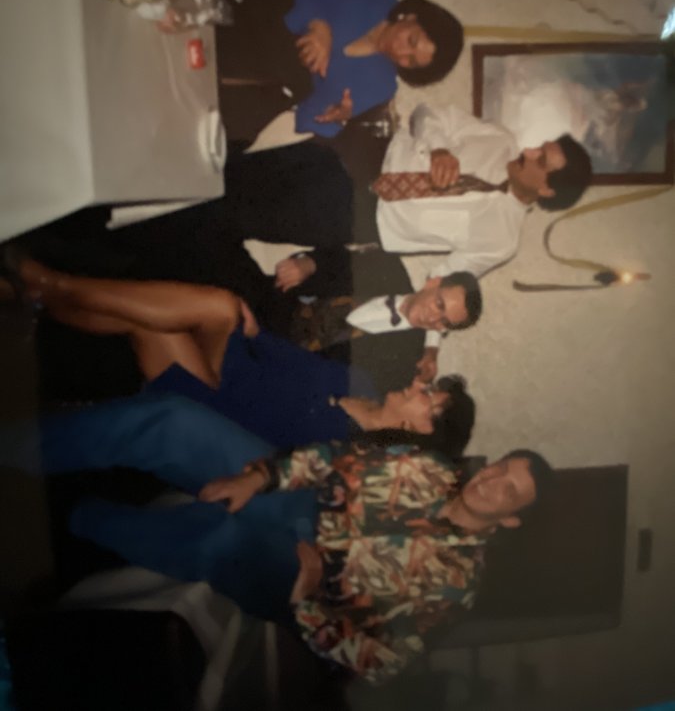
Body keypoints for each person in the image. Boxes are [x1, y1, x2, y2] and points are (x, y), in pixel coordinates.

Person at [10, 395, 551, 682]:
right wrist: (261, 476)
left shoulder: (457, 587)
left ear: (512, 521)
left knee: (221, 538)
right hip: (303, 504)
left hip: (299, 579)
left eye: (509, 491)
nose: (492, 481)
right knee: (178, 421)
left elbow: (380, 663)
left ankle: (72, 517)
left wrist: (310, 601)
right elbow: (334, 459)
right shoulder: (429, 467)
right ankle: (17, 448)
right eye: (501, 467)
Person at [263, 102, 593, 379]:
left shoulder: (503, 240)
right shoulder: (499, 138)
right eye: (540, 146)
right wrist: (439, 148)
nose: (529, 150)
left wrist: (431, 347)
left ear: (547, 189)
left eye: (541, 159)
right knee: (264, 166)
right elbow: (424, 113)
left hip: (362, 222)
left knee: (264, 216)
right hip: (368, 153)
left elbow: (446, 279)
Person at [14, 257, 475, 452]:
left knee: (166, 318)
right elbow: (295, 362)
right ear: (432, 285)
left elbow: (259, 440)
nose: (420, 386)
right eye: (430, 387)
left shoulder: (345, 448)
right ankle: (41, 295)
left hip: (218, 409)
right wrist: (256, 335)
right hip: (235, 370)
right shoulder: (365, 384)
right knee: (218, 307)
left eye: (427, 398)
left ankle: (48, 288)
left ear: (420, 429)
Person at [213, 0, 464, 139]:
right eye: (411, 40)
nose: (402, 53)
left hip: (267, 71)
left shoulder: (381, 86)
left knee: (241, 123)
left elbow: (308, 117)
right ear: (411, 16)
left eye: (411, 61)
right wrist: (317, 22)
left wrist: (338, 116)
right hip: (266, 5)